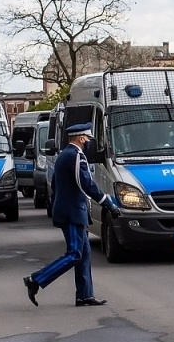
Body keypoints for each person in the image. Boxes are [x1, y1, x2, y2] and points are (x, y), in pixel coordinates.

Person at [24, 122, 113, 307]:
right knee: (74, 253)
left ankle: (84, 295)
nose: (89, 142)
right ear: (81, 138)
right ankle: (35, 280)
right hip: (72, 212)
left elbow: (56, 185)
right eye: (87, 138)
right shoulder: (75, 156)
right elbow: (86, 184)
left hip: (70, 210)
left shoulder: (64, 155)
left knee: (84, 254)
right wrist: (107, 202)